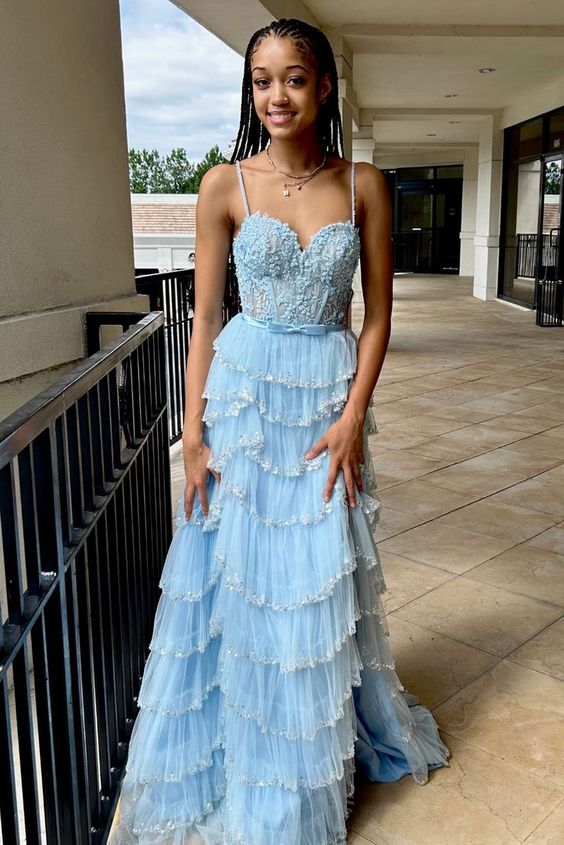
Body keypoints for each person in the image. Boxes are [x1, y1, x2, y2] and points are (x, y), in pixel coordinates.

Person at [108, 17, 450, 845]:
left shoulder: (364, 183)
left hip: (326, 408)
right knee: (241, 583)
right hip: (246, 402)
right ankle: (249, 763)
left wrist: (353, 416)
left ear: (323, 86)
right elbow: (203, 319)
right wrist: (191, 435)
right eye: (261, 80)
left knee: (314, 582)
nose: (276, 96)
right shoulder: (225, 185)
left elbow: (374, 318)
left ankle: (307, 772)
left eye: (293, 78)